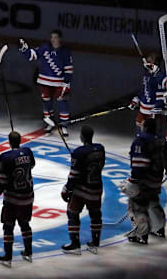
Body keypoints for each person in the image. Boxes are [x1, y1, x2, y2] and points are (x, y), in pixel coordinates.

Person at [0, 131, 35, 267]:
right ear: (20, 140)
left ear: (9, 141)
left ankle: (8, 256)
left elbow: (0, 181)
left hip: (12, 198)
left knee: (8, 226)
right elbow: (31, 165)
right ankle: (28, 251)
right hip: (28, 195)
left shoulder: (5, 157)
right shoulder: (28, 151)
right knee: (25, 223)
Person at [121, 118, 167, 244]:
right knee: (153, 202)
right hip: (156, 179)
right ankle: (159, 229)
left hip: (144, 181)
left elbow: (140, 165)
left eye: (142, 125)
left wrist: (133, 181)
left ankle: (141, 235)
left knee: (137, 206)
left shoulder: (140, 141)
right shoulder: (159, 141)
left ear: (146, 127)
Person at [19, 30, 73, 135]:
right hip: (44, 82)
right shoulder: (44, 48)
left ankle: (64, 126)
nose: (53, 39)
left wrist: (67, 83)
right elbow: (32, 56)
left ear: (60, 39)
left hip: (59, 83)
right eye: (52, 37)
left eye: (55, 37)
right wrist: (25, 49)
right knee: (47, 104)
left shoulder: (65, 52)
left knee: (62, 103)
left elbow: (69, 69)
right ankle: (50, 122)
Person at [61, 126, 105, 254]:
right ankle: (95, 243)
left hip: (81, 189)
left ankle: (75, 244)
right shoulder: (100, 149)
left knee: (72, 213)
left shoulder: (79, 152)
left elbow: (74, 175)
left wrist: (66, 189)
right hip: (96, 187)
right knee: (95, 214)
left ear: (82, 137)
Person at [128, 52, 164, 135]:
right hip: (143, 109)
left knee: (151, 133)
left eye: (150, 59)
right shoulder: (146, 74)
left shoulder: (159, 77)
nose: (147, 60)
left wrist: (156, 110)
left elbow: (161, 96)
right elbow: (144, 90)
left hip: (152, 112)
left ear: (155, 63)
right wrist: (137, 100)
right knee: (139, 130)